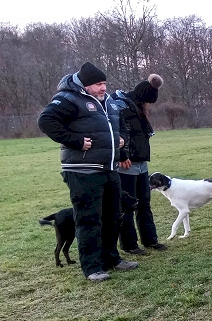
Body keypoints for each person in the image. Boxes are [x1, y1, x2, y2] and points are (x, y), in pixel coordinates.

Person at [38, 62, 139, 282]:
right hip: (83, 171)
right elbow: (46, 121)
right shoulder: (69, 99)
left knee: (112, 218)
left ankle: (111, 258)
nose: (103, 87)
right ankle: (92, 267)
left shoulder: (108, 101)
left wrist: (120, 146)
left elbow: (117, 125)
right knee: (89, 220)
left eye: (104, 83)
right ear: (84, 85)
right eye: (98, 84)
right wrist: (74, 140)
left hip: (109, 168)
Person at [112, 74, 168, 255]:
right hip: (126, 164)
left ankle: (150, 240)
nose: (149, 106)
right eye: (149, 102)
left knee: (144, 203)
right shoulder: (122, 108)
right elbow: (119, 134)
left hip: (141, 162)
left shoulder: (137, 110)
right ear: (142, 98)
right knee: (127, 205)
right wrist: (122, 155)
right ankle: (129, 244)